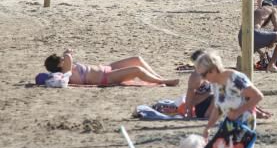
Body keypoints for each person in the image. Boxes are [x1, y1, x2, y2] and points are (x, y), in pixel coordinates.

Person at [195, 50, 263, 148]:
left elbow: (257, 96)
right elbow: (218, 108)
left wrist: (238, 111)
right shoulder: (215, 84)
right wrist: (208, 127)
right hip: (228, 125)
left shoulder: (235, 79)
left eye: (204, 74)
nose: (203, 78)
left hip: (243, 127)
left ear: (213, 69)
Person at [44, 50, 180, 87]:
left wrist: (66, 55)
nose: (63, 59)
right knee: (137, 69)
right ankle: (163, 82)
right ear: (59, 65)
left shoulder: (67, 67)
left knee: (137, 59)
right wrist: (66, 53)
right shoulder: (66, 72)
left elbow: (68, 58)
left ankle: (159, 78)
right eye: (60, 60)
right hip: (106, 78)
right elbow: (68, 56)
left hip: (107, 68)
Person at [238, 5, 277, 73]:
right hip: (254, 34)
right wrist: (272, 42)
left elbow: (250, 34)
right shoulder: (272, 9)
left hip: (241, 37)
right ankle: (272, 65)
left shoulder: (255, 12)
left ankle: (244, 61)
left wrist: (261, 52)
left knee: (255, 40)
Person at [184, 50, 215, 120]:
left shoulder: (211, 71)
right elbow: (190, 96)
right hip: (203, 107)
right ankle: (208, 114)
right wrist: (188, 113)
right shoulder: (196, 76)